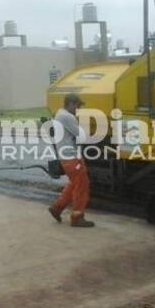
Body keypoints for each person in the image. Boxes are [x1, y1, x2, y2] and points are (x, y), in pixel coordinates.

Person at [48, 93, 95, 228]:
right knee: (82, 185)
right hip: (71, 157)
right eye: (77, 105)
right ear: (70, 104)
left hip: (67, 156)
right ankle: (77, 217)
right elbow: (81, 135)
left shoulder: (59, 114)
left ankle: (57, 208)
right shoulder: (67, 117)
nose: (77, 108)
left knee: (75, 183)